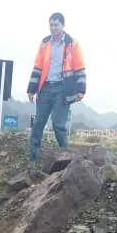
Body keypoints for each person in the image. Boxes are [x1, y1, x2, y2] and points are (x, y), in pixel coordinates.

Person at [26, 12, 86, 163]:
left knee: (58, 125)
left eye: (56, 25)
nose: (53, 28)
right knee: (38, 123)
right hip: (45, 88)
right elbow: (38, 66)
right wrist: (31, 89)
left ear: (63, 25)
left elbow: (79, 67)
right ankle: (32, 159)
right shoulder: (45, 43)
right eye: (51, 25)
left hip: (63, 89)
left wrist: (81, 89)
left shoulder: (72, 43)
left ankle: (66, 160)